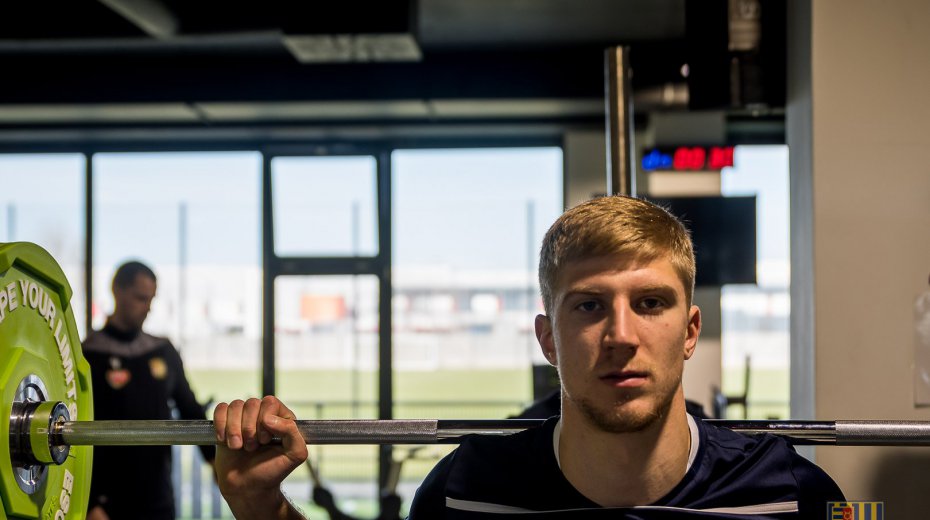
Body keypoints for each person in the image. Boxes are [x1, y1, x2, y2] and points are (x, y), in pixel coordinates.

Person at [212, 196, 844, 518]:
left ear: (690, 330)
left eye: (650, 303)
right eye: (589, 306)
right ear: (547, 339)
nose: (621, 335)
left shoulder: (796, 493)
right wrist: (262, 508)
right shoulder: (463, 492)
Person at [83, 261, 216, 520]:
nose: (148, 308)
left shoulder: (163, 351)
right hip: (106, 502)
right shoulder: (88, 355)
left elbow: (190, 410)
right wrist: (90, 502)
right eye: (141, 298)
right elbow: (74, 429)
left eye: (151, 299)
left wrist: (215, 462)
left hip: (158, 497)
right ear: (117, 291)